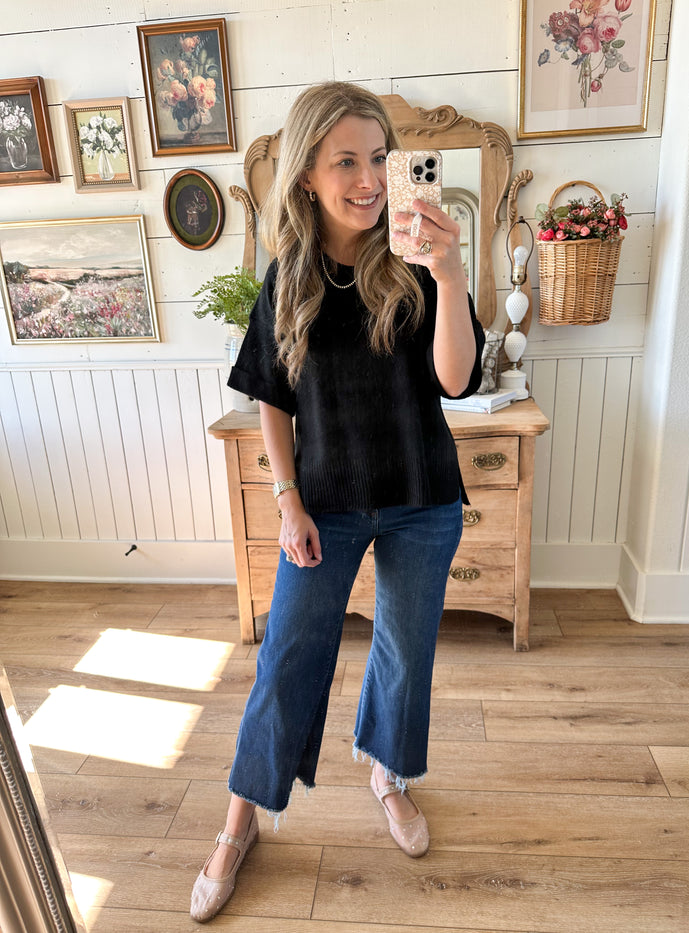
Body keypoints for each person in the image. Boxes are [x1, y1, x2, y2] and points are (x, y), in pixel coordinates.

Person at [190, 81, 484, 923]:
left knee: (404, 649)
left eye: (380, 157)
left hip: (423, 494)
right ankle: (240, 818)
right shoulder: (288, 275)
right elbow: (271, 399)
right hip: (326, 500)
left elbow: (456, 379)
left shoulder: (417, 261)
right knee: (287, 655)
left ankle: (386, 771)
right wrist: (286, 501)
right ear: (308, 177)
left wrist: (451, 267)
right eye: (345, 160)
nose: (367, 177)